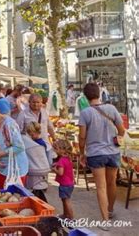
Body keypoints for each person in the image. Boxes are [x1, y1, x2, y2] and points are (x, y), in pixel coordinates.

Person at [78, 83, 125, 229]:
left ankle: (105, 221)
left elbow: (82, 137)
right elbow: (122, 130)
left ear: (85, 96)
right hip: (113, 152)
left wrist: (81, 153)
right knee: (111, 183)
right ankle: (110, 211)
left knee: (101, 187)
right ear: (99, 94)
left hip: (95, 153)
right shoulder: (111, 108)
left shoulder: (85, 113)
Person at [16, 93, 56, 164]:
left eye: (38, 102)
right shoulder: (23, 114)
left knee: (47, 166)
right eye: (33, 102)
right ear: (29, 102)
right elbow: (18, 131)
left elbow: (50, 127)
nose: (36, 104)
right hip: (31, 148)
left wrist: (54, 138)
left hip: (45, 145)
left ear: (41, 103)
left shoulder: (44, 112)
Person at [24, 122, 50, 202]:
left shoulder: (37, 144)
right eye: (30, 135)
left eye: (32, 135)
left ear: (38, 133)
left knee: (37, 191)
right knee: (37, 190)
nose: (31, 137)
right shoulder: (40, 143)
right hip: (40, 169)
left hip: (37, 168)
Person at [52, 139, 75, 220]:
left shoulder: (61, 160)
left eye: (56, 149)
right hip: (69, 183)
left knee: (66, 201)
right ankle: (65, 215)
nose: (55, 151)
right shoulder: (68, 158)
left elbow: (61, 173)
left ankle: (71, 218)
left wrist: (54, 169)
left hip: (64, 184)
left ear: (62, 149)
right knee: (64, 200)